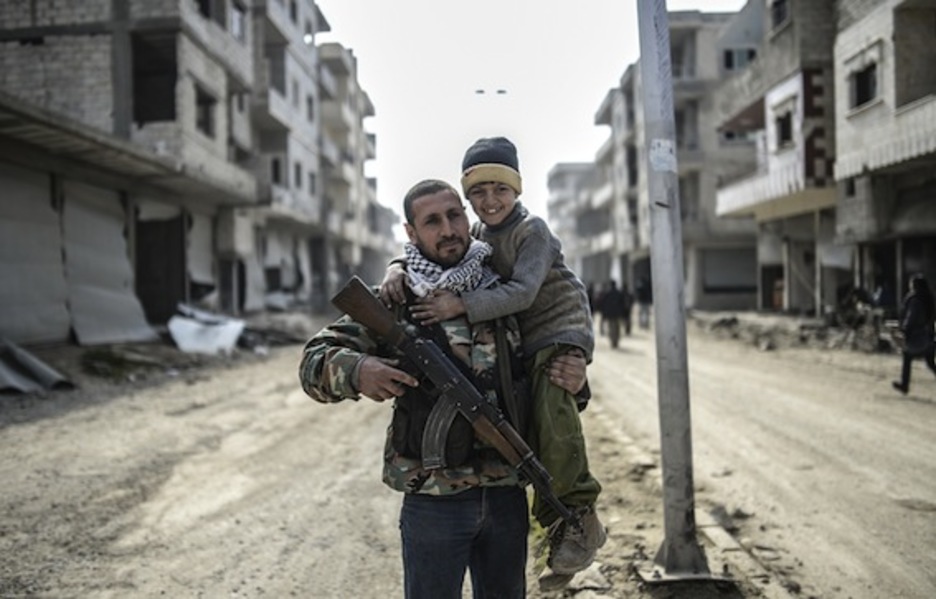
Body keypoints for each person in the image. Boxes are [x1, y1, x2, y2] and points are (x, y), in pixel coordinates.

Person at [299, 179, 587, 599]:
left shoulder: (503, 290)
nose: (448, 228)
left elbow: (550, 355)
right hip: (434, 502)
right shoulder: (395, 300)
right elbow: (313, 360)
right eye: (432, 221)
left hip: (507, 492)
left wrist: (576, 374)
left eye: (454, 216)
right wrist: (358, 369)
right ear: (411, 233)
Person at [381, 137, 605, 579]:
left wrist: (580, 375)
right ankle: (564, 523)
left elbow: (523, 294)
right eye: (477, 194)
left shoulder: (519, 243)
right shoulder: (438, 270)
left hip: (555, 336)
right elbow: (321, 357)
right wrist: (394, 270)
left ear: (517, 191)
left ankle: (575, 518)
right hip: (436, 496)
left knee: (553, 429)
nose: (488, 202)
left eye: (500, 189)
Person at [892, 274, 936, 395]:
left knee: (907, 356)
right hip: (930, 336)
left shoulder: (915, 300)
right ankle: (904, 385)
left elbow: (912, 317)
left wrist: (904, 330)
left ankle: (904, 385)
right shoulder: (929, 298)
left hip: (918, 336)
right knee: (930, 362)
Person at [597, 280, 632, 348]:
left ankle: (612, 340)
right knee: (617, 328)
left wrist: (604, 313)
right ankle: (616, 341)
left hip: (610, 314)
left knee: (611, 327)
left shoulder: (607, 294)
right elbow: (622, 304)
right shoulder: (619, 293)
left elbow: (604, 304)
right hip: (617, 313)